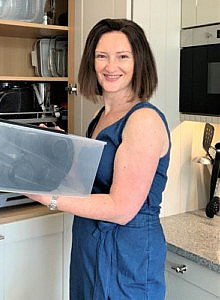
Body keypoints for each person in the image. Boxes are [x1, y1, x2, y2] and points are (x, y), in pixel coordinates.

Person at [28, 18, 171, 300]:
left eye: (122, 57)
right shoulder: (100, 117)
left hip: (127, 258)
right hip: (90, 247)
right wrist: (60, 147)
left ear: (138, 62)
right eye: (102, 56)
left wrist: (50, 198)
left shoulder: (143, 119)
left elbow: (121, 208)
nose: (110, 66)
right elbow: (88, 184)